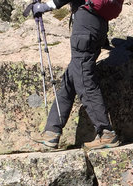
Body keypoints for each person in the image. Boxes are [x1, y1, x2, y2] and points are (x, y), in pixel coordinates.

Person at [30, 0, 120, 150]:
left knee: (85, 81)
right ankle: (52, 131)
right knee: (70, 79)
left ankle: (106, 133)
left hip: (85, 25)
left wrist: (47, 6)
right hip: (98, 24)